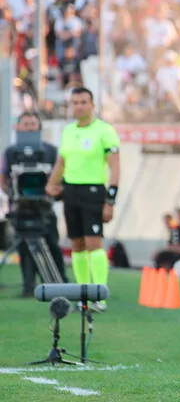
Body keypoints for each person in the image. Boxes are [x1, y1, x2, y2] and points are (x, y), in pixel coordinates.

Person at [45, 87, 120, 312]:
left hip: (94, 192)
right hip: (71, 192)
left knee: (93, 242)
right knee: (76, 244)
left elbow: (115, 167)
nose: (79, 106)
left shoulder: (104, 131)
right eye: (75, 102)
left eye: (83, 102)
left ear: (92, 105)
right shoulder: (68, 131)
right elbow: (62, 162)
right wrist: (51, 182)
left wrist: (111, 199)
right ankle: (83, 295)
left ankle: (99, 295)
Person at [0, 111, 67, 296]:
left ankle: (60, 283)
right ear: (18, 127)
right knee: (24, 249)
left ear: (39, 127)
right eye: (25, 124)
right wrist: (11, 193)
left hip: (44, 210)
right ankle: (28, 286)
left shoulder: (50, 151)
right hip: (20, 209)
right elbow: (4, 176)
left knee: (52, 245)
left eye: (33, 124)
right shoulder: (11, 152)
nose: (29, 127)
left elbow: (58, 176)